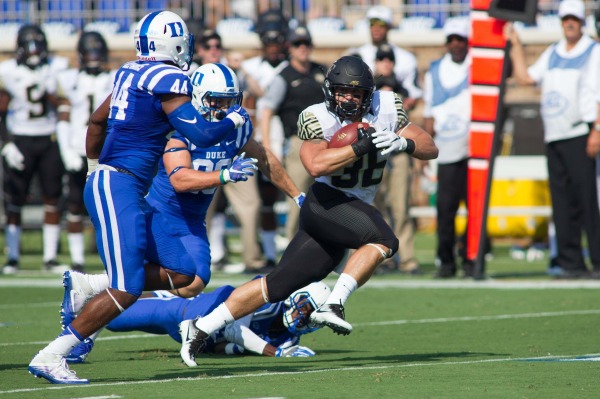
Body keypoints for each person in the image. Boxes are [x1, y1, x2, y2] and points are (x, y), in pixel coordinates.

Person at [28, 10, 252, 385]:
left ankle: (88, 285)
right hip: (120, 185)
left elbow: (98, 121)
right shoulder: (169, 77)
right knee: (128, 287)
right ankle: (53, 354)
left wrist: (92, 167)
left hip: (119, 183)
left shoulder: (129, 72)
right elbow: (202, 135)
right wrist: (235, 119)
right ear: (176, 44)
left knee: (186, 272)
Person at [181, 55, 438, 366]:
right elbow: (315, 165)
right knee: (384, 240)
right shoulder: (317, 117)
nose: (349, 99)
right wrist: (361, 146)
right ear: (330, 91)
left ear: (368, 94)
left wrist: (402, 143)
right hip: (326, 203)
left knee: (276, 285)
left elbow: (429, 146)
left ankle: (201, 327)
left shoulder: (387, 106)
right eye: (343, 92)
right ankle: (335, 304)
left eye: (356, 93)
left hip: (350, 209)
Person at [60, 62, 304, 334]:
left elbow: (263, 157)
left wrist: (297, 195)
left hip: (193, 219)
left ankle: (96, 291)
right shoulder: (180, 129)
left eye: (229, 101)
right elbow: (180, 179)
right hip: (160, 214)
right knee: (160, 279)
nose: (224, 108)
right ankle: (97, 306)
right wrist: (223, 176)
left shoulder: (235, 128)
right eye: (217, 100)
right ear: (199, 98)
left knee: (195, 282)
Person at [506, 0, 600, 278]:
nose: (569, 23)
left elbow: (598, 93)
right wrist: (516, 44)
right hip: (555, 135)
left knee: (588, 200)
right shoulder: (553, 51)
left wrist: (597, 129)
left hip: (580, 132)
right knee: (562, 201)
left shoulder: (593, 51)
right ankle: (570, 261)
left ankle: (597, 260)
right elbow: (526, 78)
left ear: (582, 21)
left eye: (573, 18)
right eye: (565, 19)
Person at [66, 280, 330, 364]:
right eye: (306, 309)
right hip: (189, 314)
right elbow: (233, 327)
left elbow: (223, 346)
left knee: (118, 317)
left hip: (199, 339)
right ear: (296, 297)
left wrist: (228, 349)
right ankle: (86, 291)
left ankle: (160, 293)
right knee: (112, 317)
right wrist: (274, 352)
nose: (304, 318)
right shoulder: (270, 301)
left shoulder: (289, 340)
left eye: (312, 316)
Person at [0, 24, 70, 274]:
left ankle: (50, 258)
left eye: (38, 46)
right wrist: (6, 142)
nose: (34, 52)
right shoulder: (6, 71)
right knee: (14, 200)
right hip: (20, 138)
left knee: (53, 198)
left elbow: (63, 101)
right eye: (29, 46)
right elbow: (1, 111)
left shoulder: (56, 66)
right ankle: (13, 257)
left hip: (48, 138)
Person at [54, 31, 116, 272]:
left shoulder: (114, 78)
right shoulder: (69, 79)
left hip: (105, 150)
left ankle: (110, 257)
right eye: (90, 53)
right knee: (74, 205)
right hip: (78, 149)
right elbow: (63, 118)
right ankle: (77, 258)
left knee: (106, 205)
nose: (94, 58)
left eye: (97, 53)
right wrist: (65, 150)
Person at [259, 25, 325, 240]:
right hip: (299, 143)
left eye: (306, 43)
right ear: (290, 47)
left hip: (328, 141)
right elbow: (267, 111)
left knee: (330, 197)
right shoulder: (283, 76)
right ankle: (293, 249)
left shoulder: (321, 71)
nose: (303, 48)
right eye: (298, 44)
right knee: (298, 196)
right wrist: (268, 146)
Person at [422, 17, 473, 278]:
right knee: (445, 209)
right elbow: (429, 114)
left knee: (475, 208)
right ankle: (446, 261)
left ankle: (471, 257)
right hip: (446, 150)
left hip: (474, 148)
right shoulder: (434, 71)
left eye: (460, 40)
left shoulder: (477, 65)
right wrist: (423, 153)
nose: (455, 45)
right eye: (451, 40)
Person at [372, 44, 420, 275]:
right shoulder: (370, 86)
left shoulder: (402, 87)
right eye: (381, 58)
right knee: (377, 208)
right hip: (377, 154)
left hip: (399, 153)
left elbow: (414, 112)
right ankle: (383, 257)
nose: (386, 63)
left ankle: (407, 259)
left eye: (389, 59)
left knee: (401, 208)